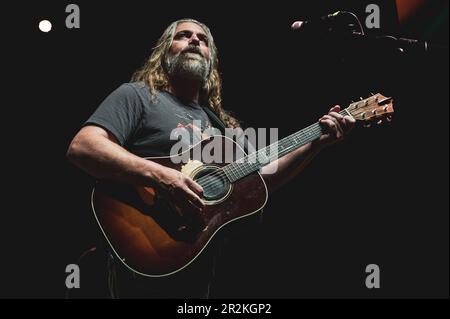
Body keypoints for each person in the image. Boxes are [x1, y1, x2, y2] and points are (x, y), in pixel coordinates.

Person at [66, 18, 355, 298]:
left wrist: (317, 142)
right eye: (183, 36)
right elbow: (84, 147)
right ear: (164, 52)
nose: (194, 40)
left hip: (198, 261)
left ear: (211, 62)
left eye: (203, 40)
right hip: (142, 248)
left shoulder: (223, 128)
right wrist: (162, 176)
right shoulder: (138, 96)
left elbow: (264, 178)